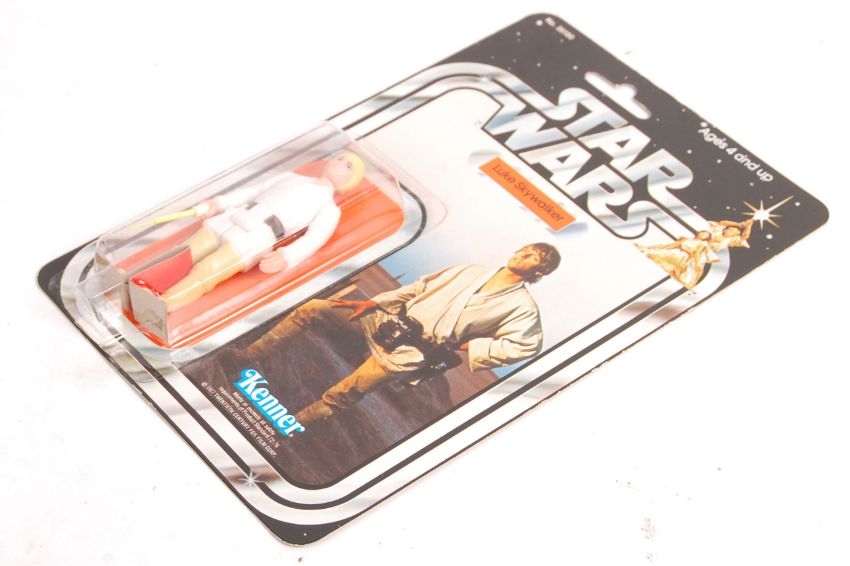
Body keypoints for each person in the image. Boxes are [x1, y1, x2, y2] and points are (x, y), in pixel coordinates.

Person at [292, 243, 562, 425]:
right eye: (523, 249)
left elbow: (525, 346)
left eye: (532, 256)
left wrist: (467, 346)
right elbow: (417, 288)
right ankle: (261, 353)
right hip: (386, 320)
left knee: (343, 394)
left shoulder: (521, 307)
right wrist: (373, 303)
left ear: (540, 271)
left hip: (412, 354)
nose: (522, 254)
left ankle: (291, 428)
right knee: (312, 309)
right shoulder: (469, 271)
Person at [160, 152, 365, 311]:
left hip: (257, 237)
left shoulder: (329, 208)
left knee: (208, 270)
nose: (340, 163)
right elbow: (253, 191)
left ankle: (166, 303)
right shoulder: (291, 177)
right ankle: (150, 280)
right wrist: (219, 202)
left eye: (348, 166)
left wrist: (287, 256)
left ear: (351, 180)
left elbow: (314, 239)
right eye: (340, 158)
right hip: (234, 216)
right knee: (184, 252)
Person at [636, 230, 718, 290]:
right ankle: (647, 249)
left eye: (705, 235)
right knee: (664, 250)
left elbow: (696, 254)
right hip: (676, 252)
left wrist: (697, 264)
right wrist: (662, 248)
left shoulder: (701, 244)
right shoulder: (686, 239)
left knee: (677, 270)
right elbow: (671, 246)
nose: (703, 234)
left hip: (684, 257)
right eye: (703, 232)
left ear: (706, 238)